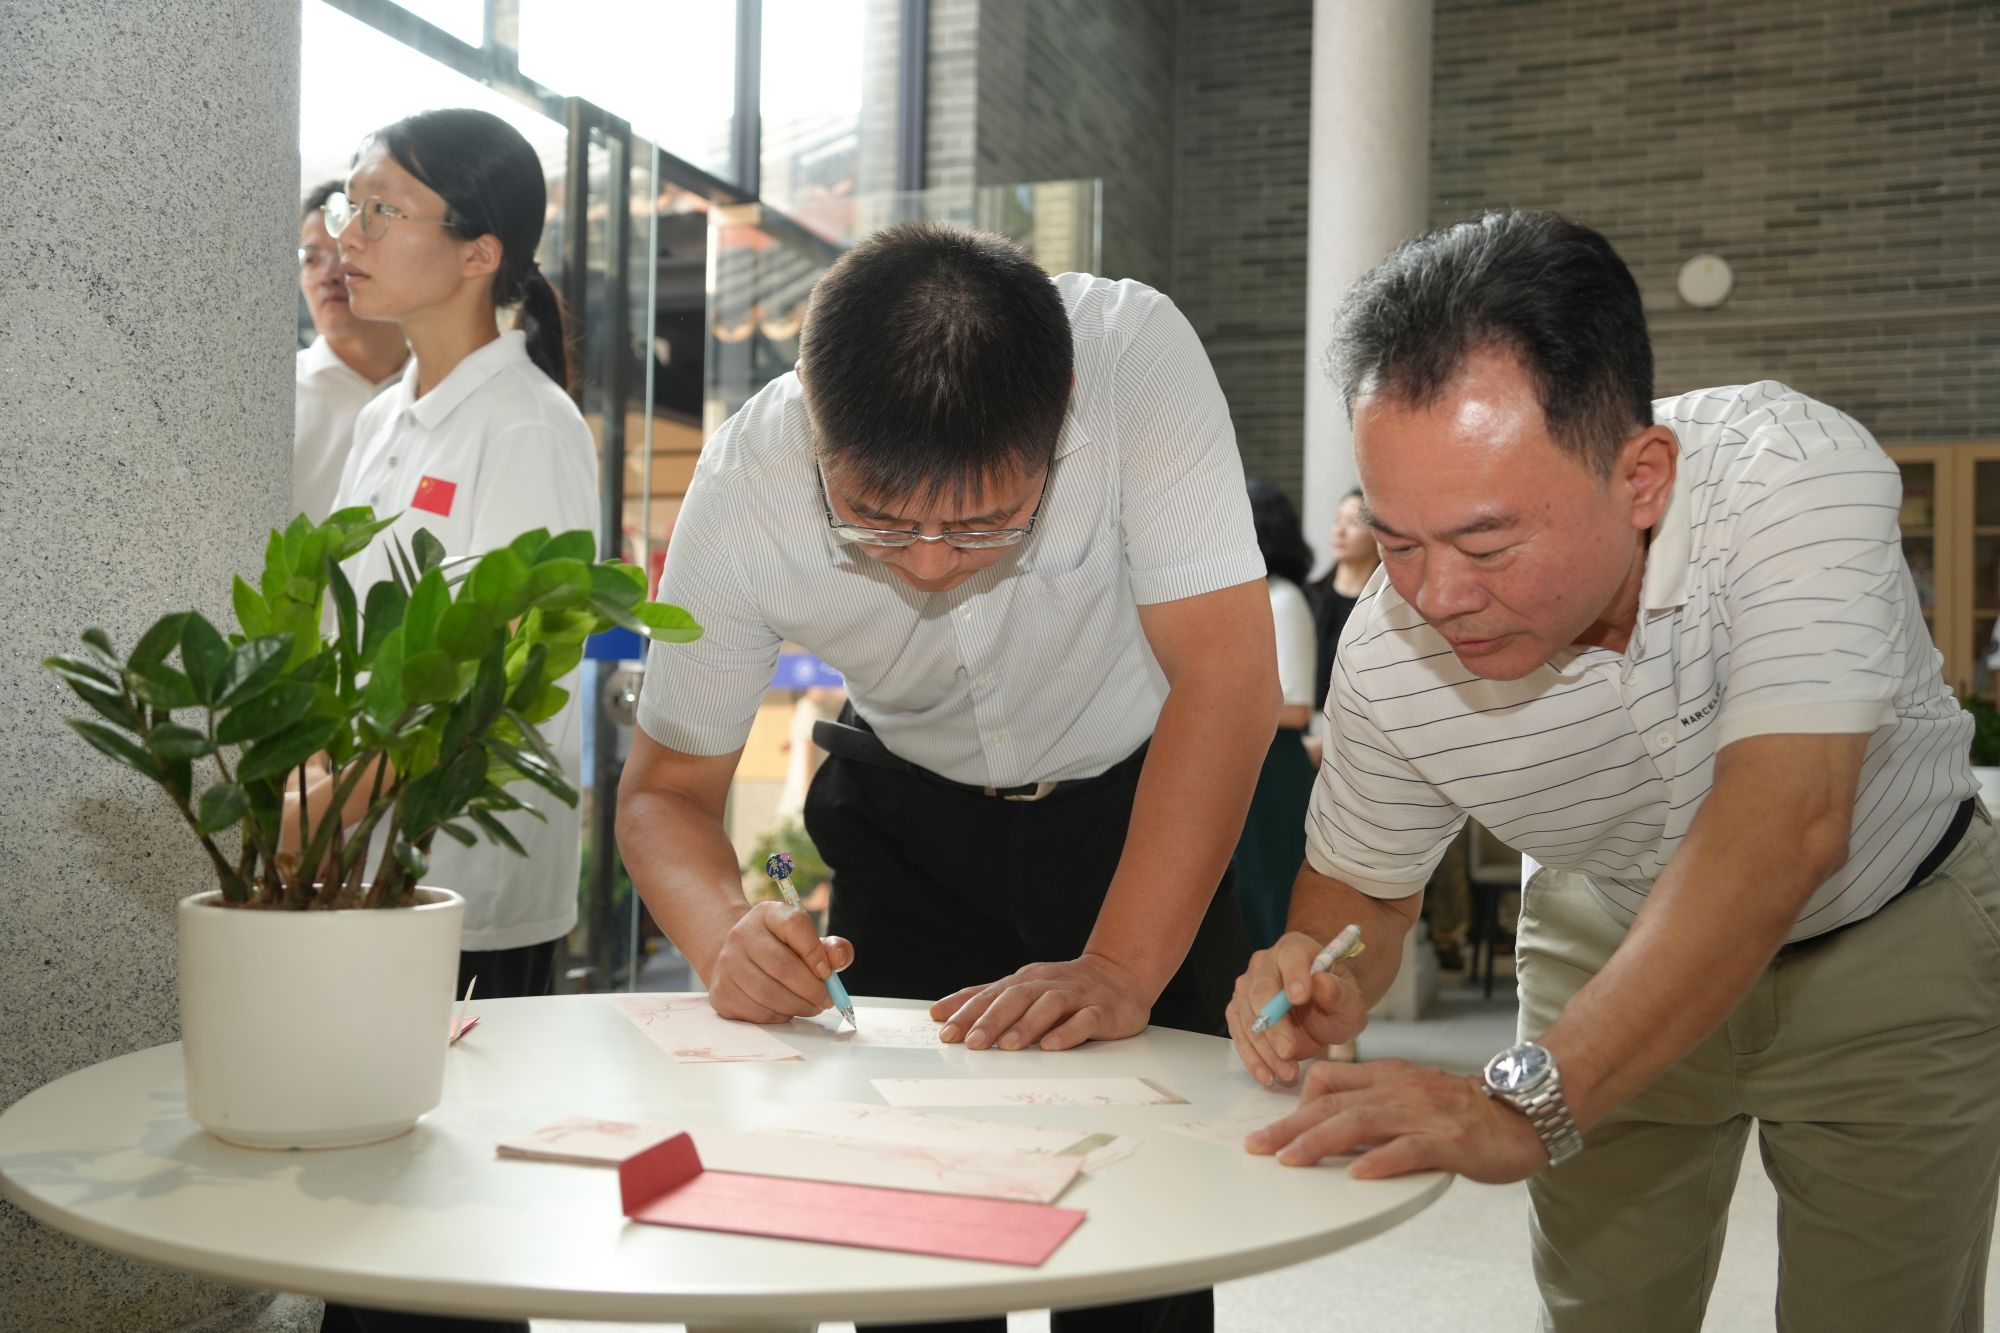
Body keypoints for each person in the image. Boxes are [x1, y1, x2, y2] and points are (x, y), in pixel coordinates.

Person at [1229, 210, 1996, 1333]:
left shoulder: (1792, 477)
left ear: (1642, 477)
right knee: (1602, 1308)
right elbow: (1362, 892)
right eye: (1396, 542)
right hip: (1606, 928)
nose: (1437, 597)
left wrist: (1527, 1100)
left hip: (1885, 935)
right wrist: (1321, 963)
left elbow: (1787, 822)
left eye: (1486, 544)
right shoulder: (1391, 653)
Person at [618, 222, 1274, 1333]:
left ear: (1061, 413)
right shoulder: (747, 481)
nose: (928, 562)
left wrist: (1120, 965)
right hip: (907, 831)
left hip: (1135, 819)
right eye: (875, 520)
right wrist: (726, 935)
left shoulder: (1131, 358)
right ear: (814, 423)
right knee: (911, 1236)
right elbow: (662, 792)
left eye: (985, 523)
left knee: (1142, 1230)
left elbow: (1227, 680)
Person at [300, 107, 596, 1333]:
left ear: (480, 252)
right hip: (366, 860)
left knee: (451, 1246)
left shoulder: (524, 426)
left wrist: (331, 803)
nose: (348, 237)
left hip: (467, 880)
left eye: (382, 211)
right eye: (348, 206)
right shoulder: (387, 416)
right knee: (368, 1222)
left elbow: (496, 676)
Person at [1232, 479, 1319, 949]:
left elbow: (1296, 708)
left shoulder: (1283, 600)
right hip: (1247, 762)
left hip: (1273, 766)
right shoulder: (1248, 595)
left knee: (1268, 894)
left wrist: (1215, 709)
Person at [294, 180, 407, 522]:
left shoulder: (435, 387)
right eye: (311, 258)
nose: (328, 275)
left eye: (346, 253)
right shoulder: (279, 394)